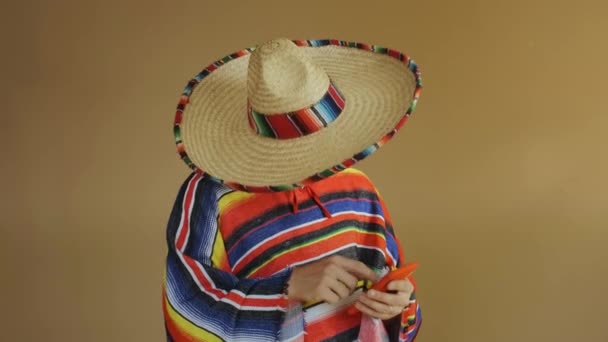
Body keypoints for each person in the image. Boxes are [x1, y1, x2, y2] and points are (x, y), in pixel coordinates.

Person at [163, 38, 423, 342]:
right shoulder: (212, 198)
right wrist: (288, 286)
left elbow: (395, 302)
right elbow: (187, 309)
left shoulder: (357, 187)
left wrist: (398, 307)